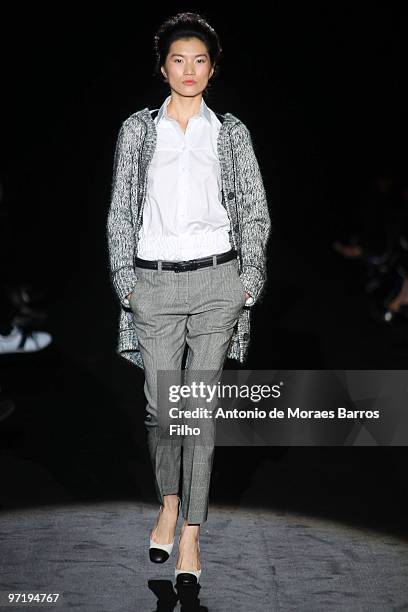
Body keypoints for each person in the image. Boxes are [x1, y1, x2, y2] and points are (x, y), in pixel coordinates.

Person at [106, 11, 271, 585]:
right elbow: (120, 213)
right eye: (179, 59)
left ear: (213, 69)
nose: (189, 69)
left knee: (196, 413)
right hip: (152, 284)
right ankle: (169, 502)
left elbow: (253, 209)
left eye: (200, 60)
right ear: (162, 67)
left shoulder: (229, 133)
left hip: (215, 285)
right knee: (161, 410)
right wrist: (125, 283)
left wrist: (248, 283)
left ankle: (192, 537)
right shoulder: (138, 131)